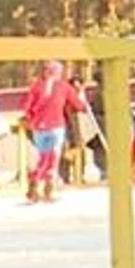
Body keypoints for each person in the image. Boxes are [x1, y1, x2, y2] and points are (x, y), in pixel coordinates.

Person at [20, 60, 86, 203]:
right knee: (52, 159)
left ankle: (36, 184)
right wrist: (80, 94)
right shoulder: (63, 86)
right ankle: (44, 187)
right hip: (56, 126)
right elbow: (79, 105)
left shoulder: (36, 86)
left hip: (39, 128)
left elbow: (27, 106)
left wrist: (31, 119)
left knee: (44, 158)